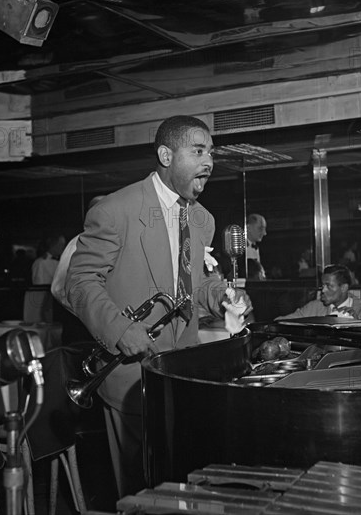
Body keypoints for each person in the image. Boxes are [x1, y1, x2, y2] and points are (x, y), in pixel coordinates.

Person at [65, 115, 249, 498]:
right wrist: (118, 330)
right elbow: (79, 282)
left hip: (184, 375)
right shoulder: (116, 210)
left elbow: (193, 284)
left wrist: (220, 296)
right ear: (166, 155)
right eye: (198, 151)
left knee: (180, 487)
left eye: (211, 152)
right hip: (132, 377)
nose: (209, 161)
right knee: (138, 492)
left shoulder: (203, 219)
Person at [276, 264, 361, 320]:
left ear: (343, 288)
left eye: (329, 286)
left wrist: (356, 324)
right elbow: (281, 321)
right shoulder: (314, 307)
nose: (323, 290)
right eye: (322, 285)